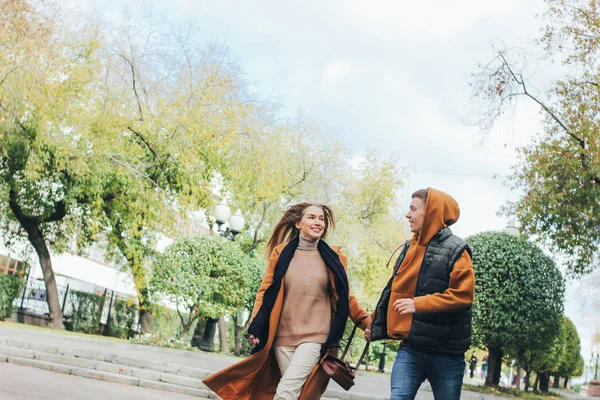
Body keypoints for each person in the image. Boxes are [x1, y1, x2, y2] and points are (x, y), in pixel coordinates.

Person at [203, 202, 372, 400]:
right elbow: (265, 292)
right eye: (312, 217)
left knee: (285, 393)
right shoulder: (281, 254)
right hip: (282, 339)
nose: (318, 222)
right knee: (300, 396)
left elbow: (346, 296)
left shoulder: (334, 258)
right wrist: (256, 325)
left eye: (321, 219)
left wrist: (367, 323)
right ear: (298, 224)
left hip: (316, 338)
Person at [369, 188, 475, 400]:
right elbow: (394, 291)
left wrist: (419, 304)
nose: (407, 215)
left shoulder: (457, 249)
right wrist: (374, 324)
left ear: (431, 212)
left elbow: (463, 295)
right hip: (411, 348)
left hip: (446, 351)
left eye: (413, 209)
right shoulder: (409, 247)